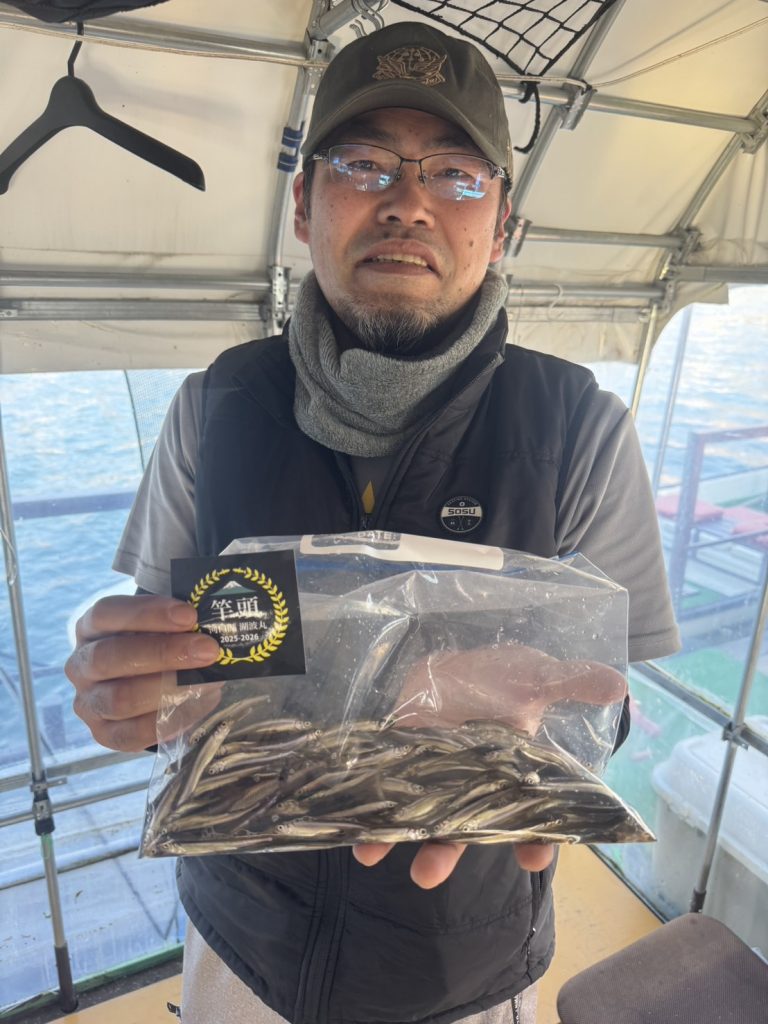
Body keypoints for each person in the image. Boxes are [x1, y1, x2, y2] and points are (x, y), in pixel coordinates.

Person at [65, 20, 680, 1024]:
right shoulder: (213, 406)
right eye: (363, 163)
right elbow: (171, 668)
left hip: (463, 966)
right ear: (304, 204)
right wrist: (126, 692)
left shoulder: (581, 429)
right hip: (242, 945)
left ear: (504, 224)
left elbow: (608, 704)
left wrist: (561, 733)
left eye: (457, 175)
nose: (407, 202)